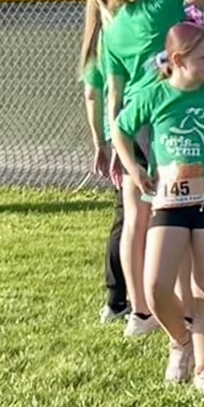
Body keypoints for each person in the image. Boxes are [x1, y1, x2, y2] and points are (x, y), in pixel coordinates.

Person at [79, 0, 204, 339]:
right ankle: (184, 313)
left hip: (130, 125)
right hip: (165, 119)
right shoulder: (163, 3)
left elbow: (113, 98)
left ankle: (139, 311)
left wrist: (116, 148)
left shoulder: (113, 29)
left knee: (135, 217)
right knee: (175, 218)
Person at [112, 22, 204, 394]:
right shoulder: (154, 96)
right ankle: (181, 341)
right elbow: (121, 130)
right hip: (170, 200)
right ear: (177, 60)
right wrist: (135, 168)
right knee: (155, 284)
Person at [83, 54, 129, 324]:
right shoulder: (128, 36)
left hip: (119, 133)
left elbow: (92, 94)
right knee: (134, 220)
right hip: (138, 130)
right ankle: (124, 301)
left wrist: (101, 142)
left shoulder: (98, 46)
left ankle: (120, 299)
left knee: (127, 219)